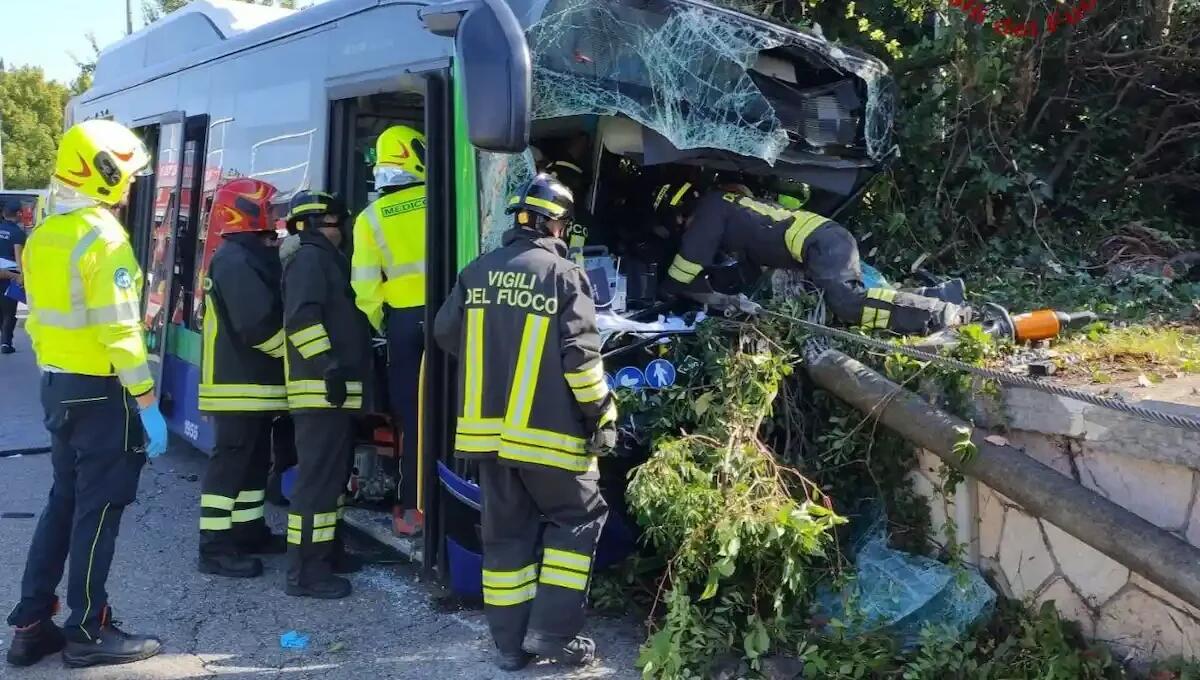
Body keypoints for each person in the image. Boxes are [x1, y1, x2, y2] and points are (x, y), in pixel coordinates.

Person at [434, 173, 617, 671]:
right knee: (579, 519)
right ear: (555, 224)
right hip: (548, 436)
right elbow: (581, 359)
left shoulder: (476, 272)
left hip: (488, 437)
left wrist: (497, 354)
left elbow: (446, 333)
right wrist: (602, 413)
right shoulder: (564, 274)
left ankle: (510, 647)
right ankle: (553, 634)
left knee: (506, 538)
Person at [6, 120, 168, 669]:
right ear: (104, 172)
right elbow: (121, 332)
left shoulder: (46, 234)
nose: (132, 184)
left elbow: (39, 319)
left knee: (64, 502)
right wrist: (147, 403)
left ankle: (31, 624)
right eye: (128, 174)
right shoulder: (104, 237)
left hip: (58, 386)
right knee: (98, 512)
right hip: (102, 392)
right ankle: (88, 631)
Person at [652, 181, 972, 335]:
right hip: (822, 239)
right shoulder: (729, 206)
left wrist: (664, 292)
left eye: (681, 225)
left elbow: (689, 263)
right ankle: (937, 294)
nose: (685, 230)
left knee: (848, 303)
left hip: (819, 243)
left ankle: (937, 314)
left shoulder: (709, 209)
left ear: (683, 213)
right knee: (851, 300)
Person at [196, 178, 289, 578]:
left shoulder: (245, 255)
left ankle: (248, 532)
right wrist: (301, 356)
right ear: (247, 212)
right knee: (231, 464)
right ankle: (214, 547)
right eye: (271, 208)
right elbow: (257, 325)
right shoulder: (236, 260)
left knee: (253, 464)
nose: (277, 216)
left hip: (252, 384)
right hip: (237, 385)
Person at [281, 190, 369, 599]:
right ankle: (305, 572)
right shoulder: (310, 259)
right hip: (319, 391)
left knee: (332, 480)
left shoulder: (323, 258)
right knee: (316, 484)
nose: (343, 231)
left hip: (331, 393)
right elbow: (301, 320)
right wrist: (327, 366)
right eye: (337, 223)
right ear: (319, 225)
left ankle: (327, 552)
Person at [351, 125, 427, 536]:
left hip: (403, 323)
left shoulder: (370, 218)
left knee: (411, 417)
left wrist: (386, 322)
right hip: (451, 316)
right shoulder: (441, 199)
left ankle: (413, 505)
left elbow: (364, 288)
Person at [0, 200, 28, 353]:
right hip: (10, 276)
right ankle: (6, 342)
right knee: (9, 311)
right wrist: (21, 276)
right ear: (18, 214)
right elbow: (19, 256)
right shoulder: (18, 233)